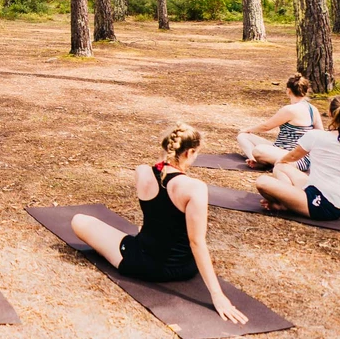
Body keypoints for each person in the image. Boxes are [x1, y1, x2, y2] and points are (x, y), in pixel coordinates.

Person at [70, 124, 248, 326]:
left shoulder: (143, 172)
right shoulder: (194, 188)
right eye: (196, 153)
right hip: (182, 268)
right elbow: (196, 243)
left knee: (79, 221)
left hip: (141, 263)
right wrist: (216, 295)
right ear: (189, 152)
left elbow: (158, 199)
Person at [255, 96, 340, 225]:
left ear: (329, 114)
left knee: (262, 181)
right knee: (281, 167)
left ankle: (285, 204)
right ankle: (287, 202)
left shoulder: (316, 136)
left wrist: (278, 161)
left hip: (325, 206)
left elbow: (292, 156)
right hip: (325, 196)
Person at [237, 73, 322, 170]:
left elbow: (266, 126)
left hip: (295, 158)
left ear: (288, 91)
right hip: (281, 149)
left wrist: (247, 129)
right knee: (243, 137)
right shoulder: (313, 109)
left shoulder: (289, 110)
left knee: (258, 150)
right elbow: (320, 133)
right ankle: (254, 160)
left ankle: (261, 161)